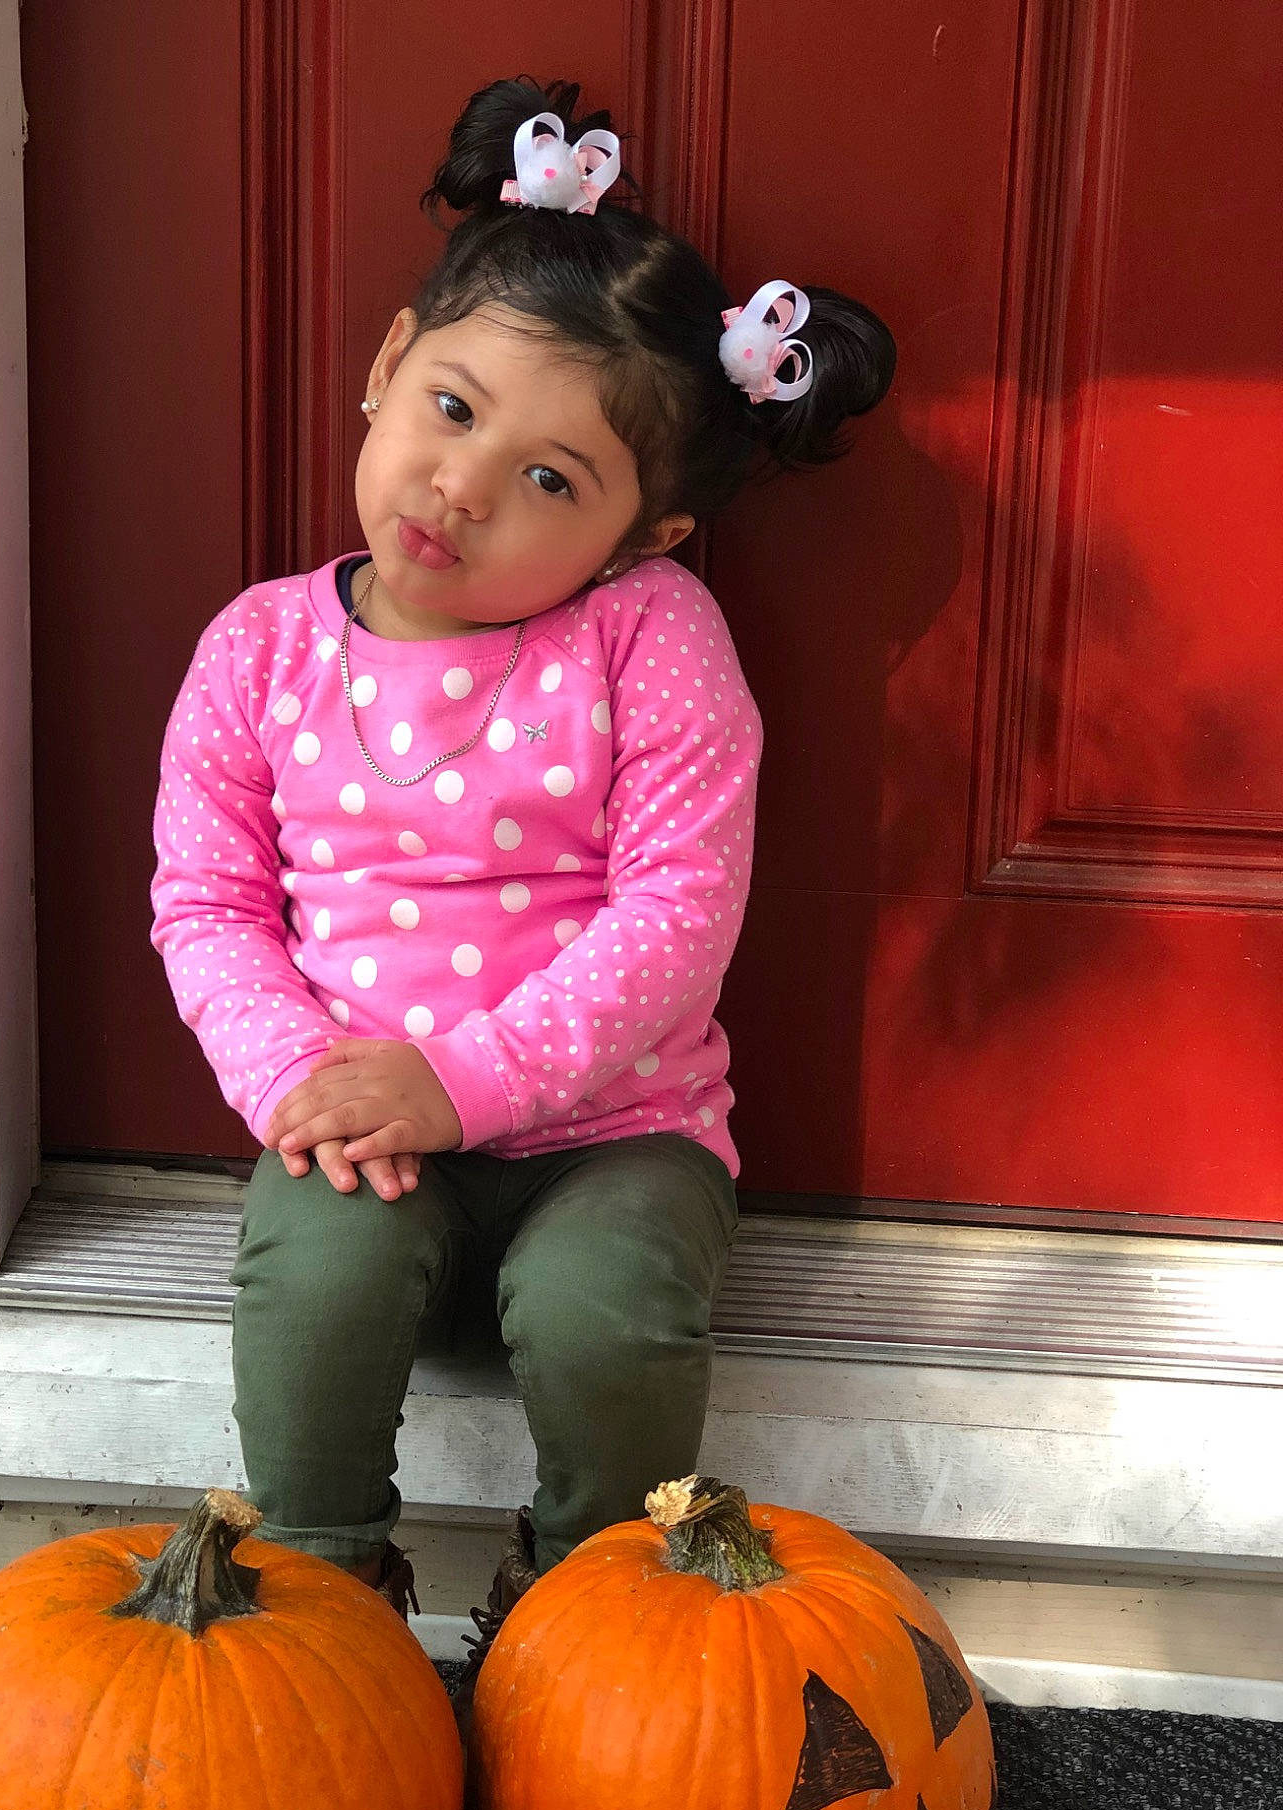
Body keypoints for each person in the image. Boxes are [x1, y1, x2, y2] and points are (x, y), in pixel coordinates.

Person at [149, 75, 895, 1718]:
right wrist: (306, 1087)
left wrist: (464, 1078)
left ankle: (584, 1619)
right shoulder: (260, 650)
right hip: (358, 1125)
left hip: (608, 1134)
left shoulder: (652, 643)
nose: (466, 487)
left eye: (557, 480)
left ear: (652, 535)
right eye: (454, 408)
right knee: (315, 1278)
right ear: (386, 366)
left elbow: (674, 923)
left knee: (607, 1312)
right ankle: (325, 1596)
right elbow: (206, 900)